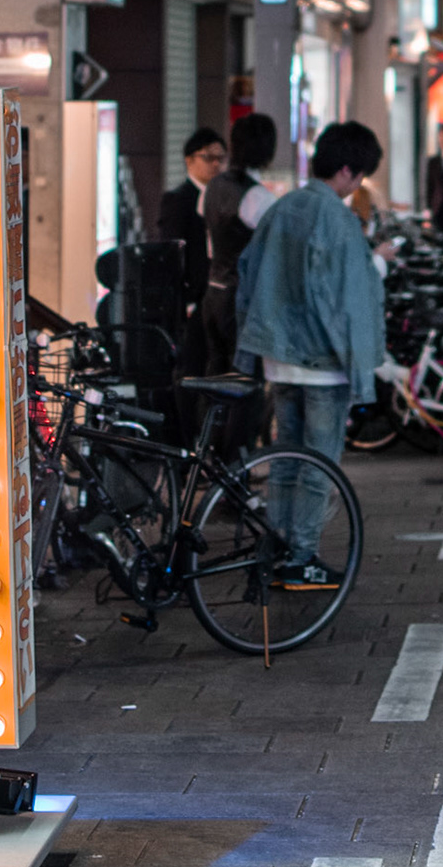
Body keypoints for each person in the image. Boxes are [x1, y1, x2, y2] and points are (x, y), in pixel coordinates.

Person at [233, 122, 391, 586]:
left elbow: (248, 275)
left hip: (278, 356)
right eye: (359, 176)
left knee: (284, 459)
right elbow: (349, 302)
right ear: (345, 170)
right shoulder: (337, 220)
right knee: (319, 464)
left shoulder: (282, 209)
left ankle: (277, 550)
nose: (358, 185)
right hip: (324, 364)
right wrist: (362, 371)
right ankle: (302, 556)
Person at [201, 113, 278, 374]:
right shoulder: (259, 197)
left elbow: (211, 243)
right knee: (243, 385)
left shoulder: (213, 185)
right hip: (241, 300)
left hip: (212, 293)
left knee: (215, 378)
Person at [158, 127, 226, 376]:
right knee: (193, 366)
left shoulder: (224, 197)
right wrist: (184, 297)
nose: (216, 164)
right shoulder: (178, 199)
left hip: (219, 293)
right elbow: (172, 250)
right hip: (192, 298)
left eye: (221, 158)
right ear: (189, 160)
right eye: (208, 157)